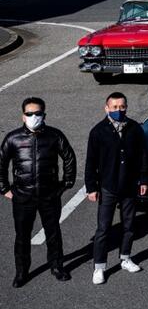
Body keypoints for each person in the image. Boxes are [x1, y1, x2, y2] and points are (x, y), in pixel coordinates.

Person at [0, 97, 76, 287]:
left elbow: (69, 157)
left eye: (38, 113)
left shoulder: (54, 135)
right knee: (22, 237)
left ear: (44, 115)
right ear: (23, 116)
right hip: (22, 197)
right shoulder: (13, 138)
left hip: (49, 196)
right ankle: (21, 272)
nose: (34, 117)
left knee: (53, 233)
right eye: (29, 113)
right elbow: (1, 163)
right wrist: (4, 189)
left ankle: (57, 267)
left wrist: (66, 183)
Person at [85, 92, 148, 285]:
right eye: (114, 107)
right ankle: (99, 266)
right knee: (103, 228)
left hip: (129, 185)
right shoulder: (98, 132)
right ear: (106, 108)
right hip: (108, 186)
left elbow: (143, 156)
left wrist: (144, 180)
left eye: (122, 107)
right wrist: (91, 187)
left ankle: (125, 257)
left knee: (129, 226)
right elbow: (91, 162)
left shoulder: (135, 128)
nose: (118, 110)